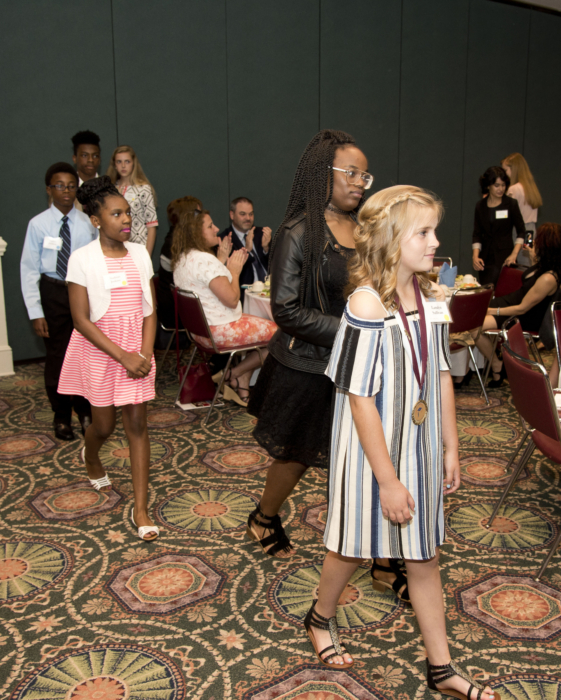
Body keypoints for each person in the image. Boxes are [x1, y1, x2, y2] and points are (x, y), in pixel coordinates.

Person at [304, 185, 495, 699]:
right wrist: (387, 481)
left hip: (419, 445)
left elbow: (441, 373)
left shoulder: (430, 297)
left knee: (424, 554)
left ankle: (441, 667)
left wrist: (451, 446)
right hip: (373, 454)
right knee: (351, 545)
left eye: (434, 231)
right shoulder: (366, 304)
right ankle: (320, 616)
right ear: (391, 239)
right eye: (423, 233)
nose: (435, 242)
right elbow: (359, 398)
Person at [243, 130, 413, 599]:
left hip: (362, 363)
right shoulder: (299, 232)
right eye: (351, 173)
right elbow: (286, 310)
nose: (360, 182)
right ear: (324, 174)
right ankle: (264, 517)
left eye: (365, 175)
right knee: (296, 454)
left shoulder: (365, 227)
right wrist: (355, 330)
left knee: (373, 457)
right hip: (309, 364)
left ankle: (383, 560)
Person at [58, 177, 159, 541]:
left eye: (127, 213)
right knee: (103, 426)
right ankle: (91, 455)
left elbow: (150, 309)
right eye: (116, 214)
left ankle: (141, 509)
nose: (126, 219)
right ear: (96, 220)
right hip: (103, 351)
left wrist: (144, 354)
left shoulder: (140, 254)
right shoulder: (82, 259)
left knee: (138, 426)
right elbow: (81, 320)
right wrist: (123, 356)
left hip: (136, 350)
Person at [19, 163, 97, 441]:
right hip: (52, 293)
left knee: (86, 356)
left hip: (83, 292)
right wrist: (35, 311)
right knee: (58, 357)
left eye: (71, 186)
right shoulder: (38, 224)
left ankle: (86, 412)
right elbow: (29, 269)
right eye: (60, 186)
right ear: (49, 189)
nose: (66, 191)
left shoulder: (89, 223)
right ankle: (61, 415)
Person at [172, 208, 277, 406]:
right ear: (195, 232)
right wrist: (234, 271)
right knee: (281, 335)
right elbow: (232, 299)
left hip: (199, 332)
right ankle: (233, 373)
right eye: (210, 226)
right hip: (219, 331)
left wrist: (220, 261)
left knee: (264, 327)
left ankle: (241, 379)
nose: (216, 229)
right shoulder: (205, 260)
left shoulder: (184, 258)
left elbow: (207, 287)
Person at [474, 222, 561, 387]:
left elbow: (522, 308)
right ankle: (493, 363)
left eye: (539, 240)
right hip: (510, 303)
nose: (535, 243)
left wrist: (492, 310)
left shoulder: (548, 278)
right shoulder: (545, 266)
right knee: (472, 313)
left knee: (473, 327)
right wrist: (534, 256)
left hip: (520, 315)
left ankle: (497, 365)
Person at [156, 196, 203, 345]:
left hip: (180, 307)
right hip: (175, 312)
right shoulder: (174, 245)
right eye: (198, 214)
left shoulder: (179, 239)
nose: (201, 218)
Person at [471, 166, 525, 287]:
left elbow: (521, 231)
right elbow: (477, 234)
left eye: (503, 185)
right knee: (486, 290)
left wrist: (514, 254)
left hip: (505, 258)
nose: (501, 189)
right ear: (488, 186)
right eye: (496, 185)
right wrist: (475, 256)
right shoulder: (480, 206)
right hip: (485, 259)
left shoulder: (511, 204)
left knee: (501, 290)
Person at [106, 146, 159, 257]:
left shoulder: (143, 189)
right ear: (114, 165)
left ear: (133, 163)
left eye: (127, 161)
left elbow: (151, 226)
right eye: (119, 162)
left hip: (138, 248)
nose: (123, 166)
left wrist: (147, 257)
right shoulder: (109, 189)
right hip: (115, 248)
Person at [218, 197, 272, 294]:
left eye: (251, 214)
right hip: (245, 294)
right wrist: (247, 250)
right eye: (243, 214)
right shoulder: (225, 240)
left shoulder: (261, 233)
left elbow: (276, 265)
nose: (248, 218)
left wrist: (266, 249)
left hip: (269, 290)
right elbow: (233, 275)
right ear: (232, 215)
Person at [501, 152, 542, 263]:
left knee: (518, 263)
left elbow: (506, 214)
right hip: (531, 230)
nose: (504, 174)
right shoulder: (530, 188)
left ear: (514, 169)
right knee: (528, 262)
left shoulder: (513, 189)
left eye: (505, 170)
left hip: (518, 231)